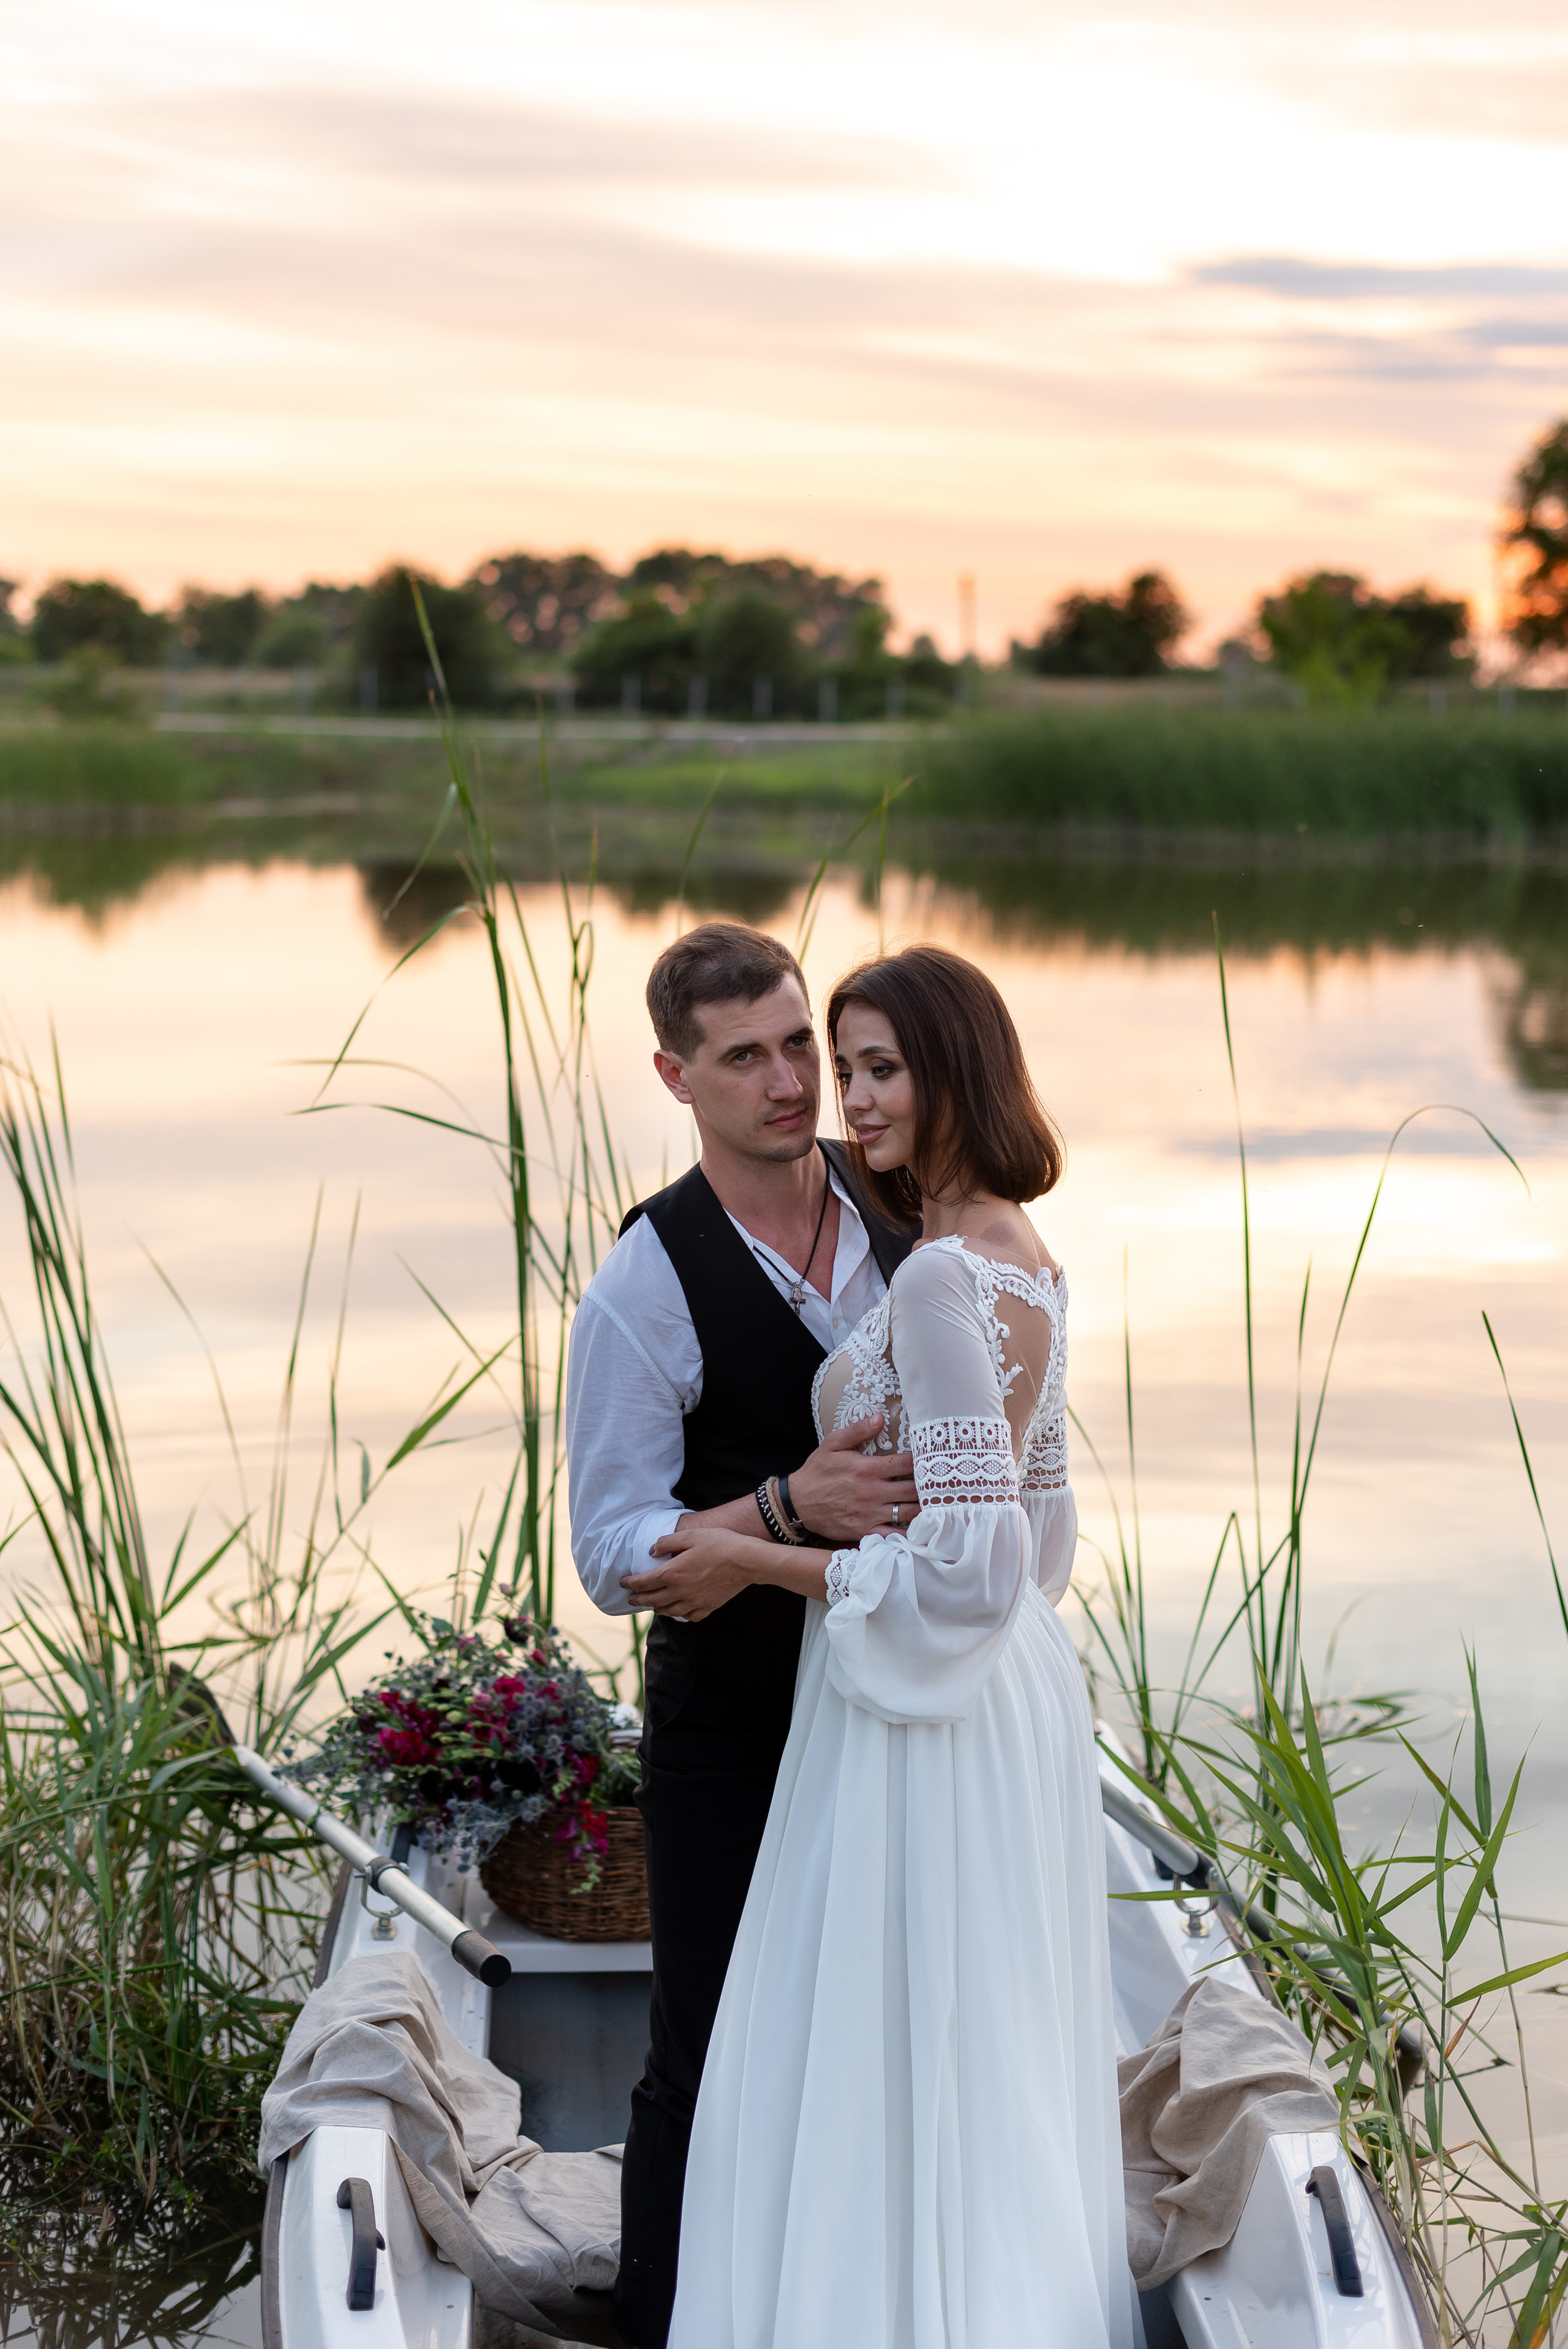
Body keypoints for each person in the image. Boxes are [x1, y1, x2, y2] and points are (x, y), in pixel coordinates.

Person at [624, 944, 1135, 2349]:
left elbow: (963, 1571)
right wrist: (890, 1573)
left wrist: (752, 1554)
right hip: (1005, 1704)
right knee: (971, 2050)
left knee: (860, 2047)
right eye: (831, 1065)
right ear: (683, 1077)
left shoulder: (928, 1280)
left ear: (953, 1066)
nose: (842, 1096)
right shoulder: (1027, 1263)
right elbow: (1034, 1547)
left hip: (913, 1715)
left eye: (872, 1065)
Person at [565, 921, 921, 2349]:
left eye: (798, 1046)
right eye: (745, 1058)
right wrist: (781, 1500)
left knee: (895, 2025)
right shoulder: (644, 1281)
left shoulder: (907, 1211)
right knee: (704, 2045)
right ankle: (668, 2318)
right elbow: (609, 1553)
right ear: (674, 1073)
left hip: (904, 1697)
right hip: (736, 1717)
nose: (791, 1084)